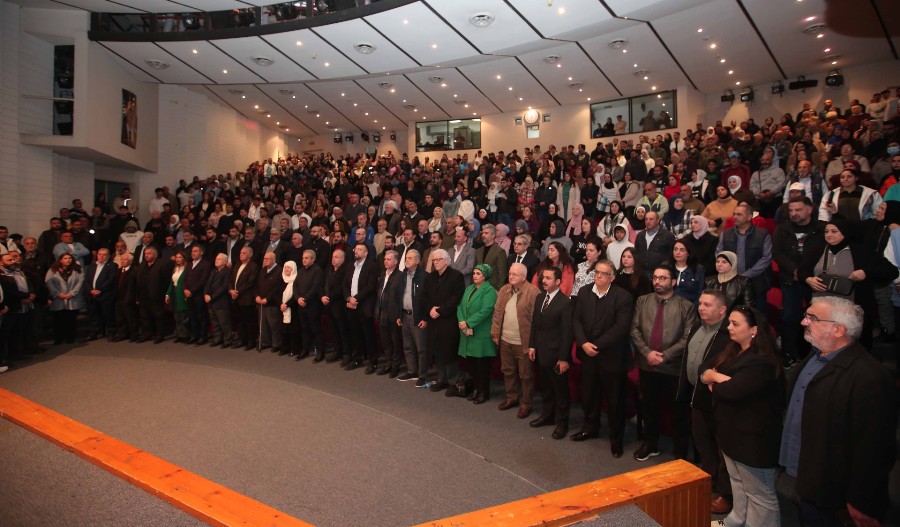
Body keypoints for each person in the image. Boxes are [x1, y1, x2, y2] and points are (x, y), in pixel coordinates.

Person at [779, 297, 896, 526]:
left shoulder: (870, 376)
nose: (803, 322)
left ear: (838, 329)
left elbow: (875, 448)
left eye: (812, 318)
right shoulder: (813, 357)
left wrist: (861, 500)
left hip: (833, 493)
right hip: (806, 477)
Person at [701, 305, 784, 526]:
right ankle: (736, 520)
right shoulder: (733, 350)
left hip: (753, 439)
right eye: (729, 322)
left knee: (760, 494)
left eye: (735, 324)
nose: (729, 327)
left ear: (754, 330)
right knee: (738, 483)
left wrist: (715, 379)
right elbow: (704, 370)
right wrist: (717, 378)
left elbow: (729, 391)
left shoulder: (762, 361)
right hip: (731, 433)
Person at [676, 290, 734, 514]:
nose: (701, 308)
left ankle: (726, 494)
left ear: (722, 310)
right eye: (700, 303)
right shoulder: (696, 327)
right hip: (695, 396)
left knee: (722, 450)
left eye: (707, 305)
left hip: (717, 400)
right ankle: (711, 483)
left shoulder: (728, 336)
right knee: (703, 444)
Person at [630, 265, 696, 461]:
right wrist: (647, 353)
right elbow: (634, 330)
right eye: (655, 278)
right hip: (647, 364)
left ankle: (680, 453)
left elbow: (687, 337)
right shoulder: (643, 301)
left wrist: (664, 356)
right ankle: (651, 444)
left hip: (673, 368)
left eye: (663, 278)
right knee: (649, 407)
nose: (657, 282)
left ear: (673, 282)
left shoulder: (686, 306)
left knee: (678, 412)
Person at [571, 259, 634, 457]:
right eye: (597, 272)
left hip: (612, 357)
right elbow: (576, 319)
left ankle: (616, 439)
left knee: (615, 401)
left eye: (604, 273)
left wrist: (596, 345)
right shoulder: (584, 292)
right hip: (588, 355)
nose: (599, 276)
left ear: (612, 277)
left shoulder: (623, 297)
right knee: (589, 395)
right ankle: (590, 428)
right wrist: (583, 343)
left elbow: (621, 327)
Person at [772, 197, 822, 363]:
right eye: (791, 210)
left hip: (815, 281)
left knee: (816, 319)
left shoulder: (820, 229)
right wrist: (795, 271)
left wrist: (806, 275)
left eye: (798, 210)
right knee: (789, 318)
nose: (793, 213)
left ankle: (813, 353)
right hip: (790, 279)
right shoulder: (782, 229)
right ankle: (789, 354)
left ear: (810, 209)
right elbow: (777, 253)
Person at [526, 266, 574, 440]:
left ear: (558, 281)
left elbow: (567, 333)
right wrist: (532, 346)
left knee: (560, 391)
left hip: (556, 355)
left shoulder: (565, 302)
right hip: (541, 352)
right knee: (546, 388)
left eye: (548, 278)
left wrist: (563, 358)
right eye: (543, 277)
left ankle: (562, 423)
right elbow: (534, 324)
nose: (544, 281)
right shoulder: (540, 297)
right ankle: (547, 416)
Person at [491, 262, 540, 418]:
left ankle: (526, 404)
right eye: (510, 273)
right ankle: (511, 398)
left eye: (515, 274)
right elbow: (497, 313)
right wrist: (495, 333)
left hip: (523, 343)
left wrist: (533, 344)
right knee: (508, 371)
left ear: (524, 277)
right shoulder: (504, 290)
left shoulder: (533, 292)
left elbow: (537, 320)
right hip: (505, 340)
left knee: (526, 376)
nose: (511, 276)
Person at [715, 203, 772, 312]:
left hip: (756, 282)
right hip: (731, 281)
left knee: (757, 315)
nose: (735, 217)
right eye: (734, 214)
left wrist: (747, 275)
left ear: (749, 217)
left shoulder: (762, 234)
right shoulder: (726, 234)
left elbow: (766, 258)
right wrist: (730, 272)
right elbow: (719, 253)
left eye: (739, 214)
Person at [422, 249, 465, 393]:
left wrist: (440, 310)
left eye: (438, 260)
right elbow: (424, 296)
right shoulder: (430, 277)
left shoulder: (456, 276)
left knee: (449, 350)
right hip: (433, 320)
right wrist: (430, 309)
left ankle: (452, 381)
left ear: (446, 261)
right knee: (437, 350)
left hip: (448, 319)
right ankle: (442, 379)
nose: (435, 262)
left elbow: (456, 298)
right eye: (433, 260)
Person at [456, 265, 498, 404]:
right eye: (474, 273)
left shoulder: (489, 291)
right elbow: (460, 306)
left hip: (481, 333)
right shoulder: (469, 288)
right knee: (472, 364)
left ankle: (483, 392)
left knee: (482, 366)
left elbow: (486, 311)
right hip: (467, 332)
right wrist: (462, 321)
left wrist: (468, 323)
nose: (474, 275)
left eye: (478, 273)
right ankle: (475, 389)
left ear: (485, 276)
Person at [343, 243, 378, 372]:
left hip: (364, 305)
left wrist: (355, 299)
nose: (356, 251)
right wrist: (348, 298)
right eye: (356, 249)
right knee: (355, 333)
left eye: (360, 249)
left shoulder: (371, 266)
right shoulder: (350, 266)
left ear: (366, 253)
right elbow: (345, 284)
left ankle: (373, 361)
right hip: (351, 305)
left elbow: (370, 287)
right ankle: (357, 358)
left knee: (368, 335)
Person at [396, 249, 429, 382]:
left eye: (410, 258)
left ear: (417, 261)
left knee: (421, 348)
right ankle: (412, 371)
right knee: (407, 346)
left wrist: (425, 318)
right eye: (406, 258)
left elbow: (428, 300)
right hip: (404, 315)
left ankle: (423, 375)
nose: (407, 260)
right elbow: (399, 296)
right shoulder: (402, 275)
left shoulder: (425, 276)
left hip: (418, 317)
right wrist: (398, 315)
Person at [45, 253, 84, 345]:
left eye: (70, 258)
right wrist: (57, 293)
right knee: (58, 320)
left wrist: (72, 293)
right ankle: (58, 338)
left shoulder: (78, 269)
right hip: (58, 298)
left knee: (71, 320)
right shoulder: (53, 270)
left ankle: (70, 338)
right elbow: (48, 282)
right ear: (60, 260)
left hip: (73, 298)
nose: (68, 260)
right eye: (65, 258)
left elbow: (80, 282)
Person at [375, 250, 403, 375]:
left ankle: (395, 366)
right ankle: (388, 364)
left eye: (388, 259)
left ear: (396, 262)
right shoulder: (382, 274)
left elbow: (400, 297)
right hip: (382, 313)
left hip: (393, 314)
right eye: (385, 259)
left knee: (395, 342)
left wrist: (399, 315)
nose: (385, 261)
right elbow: (379, 294)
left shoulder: (400, 276)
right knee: (386, 342)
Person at [294, 249, 325, 361]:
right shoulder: (301, 271)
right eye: (303, 258)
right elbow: (295, 286)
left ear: (313, 259)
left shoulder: (318, 271)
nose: (304, 260)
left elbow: (315, 287)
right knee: (304, 328)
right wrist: (298, 298)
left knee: (316, 328)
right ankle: (305, 349)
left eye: (306, 258)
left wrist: (305, 299)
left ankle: (320, 351)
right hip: (301, 304)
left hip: (313, 304)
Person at [137, 246, 170, 344]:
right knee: (144, 316)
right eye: (145, 254)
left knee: (158, 316)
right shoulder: (143, 264)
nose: (146, 255)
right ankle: (147, 334)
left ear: (155, 254)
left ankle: (159, 335)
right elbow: (138, 280)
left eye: (148, 253)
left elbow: (166, 280)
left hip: (156, 295)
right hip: (143, 295)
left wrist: (164, 294)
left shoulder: (162, 264)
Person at [323, 248, 350, 363]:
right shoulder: (329, 269)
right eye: (333, 257)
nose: (333, 259)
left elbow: (342, 287)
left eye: (336, 257)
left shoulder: (345, 270)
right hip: (328, 306)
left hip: (339, 305)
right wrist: (322, 296)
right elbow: (323, 285)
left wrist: (329, 297)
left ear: (343, 259)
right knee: (333, 330)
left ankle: (346, 353)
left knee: (343, 330)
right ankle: (337, 350)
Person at [84, 248, 117, 342]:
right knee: (94, 315)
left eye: (104, 254)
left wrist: (100, 290)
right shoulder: (92, 265)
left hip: (105, 295)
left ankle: (110, 333)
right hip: (92, 295)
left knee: (108, 315)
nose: (101, 256)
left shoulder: (112, 266)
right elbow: (86, 280)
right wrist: (91, 290)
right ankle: (95, 332)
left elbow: (111, 280)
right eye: (99, 254)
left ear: (108, 256)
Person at [229, 246, 259, 350]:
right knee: (240, 321)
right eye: (241, 253)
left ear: (250, 254)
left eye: (244, 253)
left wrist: (238, 292)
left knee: (249, 321)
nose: (241, 254)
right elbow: (231, 279)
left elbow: (250, 282)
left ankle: (251, 341)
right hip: (236, 298)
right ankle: (242, 340)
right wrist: (231, 290)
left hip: (246, 298)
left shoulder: (253, 266)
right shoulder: (237, 265)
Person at [182, 245, 212, 345]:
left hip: (198, 294)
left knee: (201, 316)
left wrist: (191, 291)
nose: (193, 253)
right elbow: (185, 278)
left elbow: (203, 280)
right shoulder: (189, 264)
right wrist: (185, 289)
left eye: (195, 251)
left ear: (201, 253)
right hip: (189, 295)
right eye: (192, 251)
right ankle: (194, 335)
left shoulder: (205, 264)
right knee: (192, 316)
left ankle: (203, 336)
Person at [256, 251, 284, 353]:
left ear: (273, 259)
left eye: (267, 259)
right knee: (263, 324)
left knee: (274, 324)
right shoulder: (263, 270)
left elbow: (277, 288)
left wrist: (268, 298)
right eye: (264, 258)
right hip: (261, 302)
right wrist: (257, 296)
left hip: (273, 302)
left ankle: (276, 343)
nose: (265, 260)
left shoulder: (279, 270)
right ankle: (265, 342)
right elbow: (257, 284)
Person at [204, 253, 233, 348]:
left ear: (225, 261)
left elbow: (224, 287)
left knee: (224, 322)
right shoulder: (213, 271)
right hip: (211, 301)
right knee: (215, 322)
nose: (216, 260)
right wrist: (205, 294)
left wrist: (212, 297)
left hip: (221, 301)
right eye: (216, 259)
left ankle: (228, 340)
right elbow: (207, 284)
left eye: (219, 259)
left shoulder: (227, 271)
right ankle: (218, 338)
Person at [112, 253, 139, 343]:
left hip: (129, 298)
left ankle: (134, 335)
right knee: (120, 318)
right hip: (119, 298)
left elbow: (137, 286)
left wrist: (136, 298)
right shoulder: (119, 271)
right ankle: (122, 334)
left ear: (130, 261)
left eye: (125, 260)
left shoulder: (134, 271)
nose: (122, 261)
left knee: (131, 317)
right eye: (121, 259)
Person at [165, 251, 190, 343]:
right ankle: (179, 334)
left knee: (184, 316)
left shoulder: (187, 268)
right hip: (175, 293)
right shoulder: (175, 268)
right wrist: (168, 294)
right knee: (177, 316)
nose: (177, 259)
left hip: (182, 293)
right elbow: (171, 283)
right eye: (176, 257)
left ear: (184, 258)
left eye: (180, 257)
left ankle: (186, 335)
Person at [475, 224, 507, 290]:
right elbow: (475, 269)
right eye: (482, 233)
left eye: (486, 233)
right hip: (478, 286)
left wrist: (499, 289)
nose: (483, 235)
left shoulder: (499, 251)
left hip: (492, 287)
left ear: (493, 235)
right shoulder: (478, 251)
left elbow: (502, 273)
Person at [279, 261, 300, 357]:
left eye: (289, 268)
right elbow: (277, 293)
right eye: (285, 267)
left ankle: (294, 349)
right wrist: (281, 304)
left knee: (293, 330)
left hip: (293, 308)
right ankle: (285, 348)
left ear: (293, 269)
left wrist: (287, 304)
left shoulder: (296, 280)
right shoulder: (282, 280)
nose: (286, 269)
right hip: (282, 308)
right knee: (284, 330)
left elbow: (296, 295)